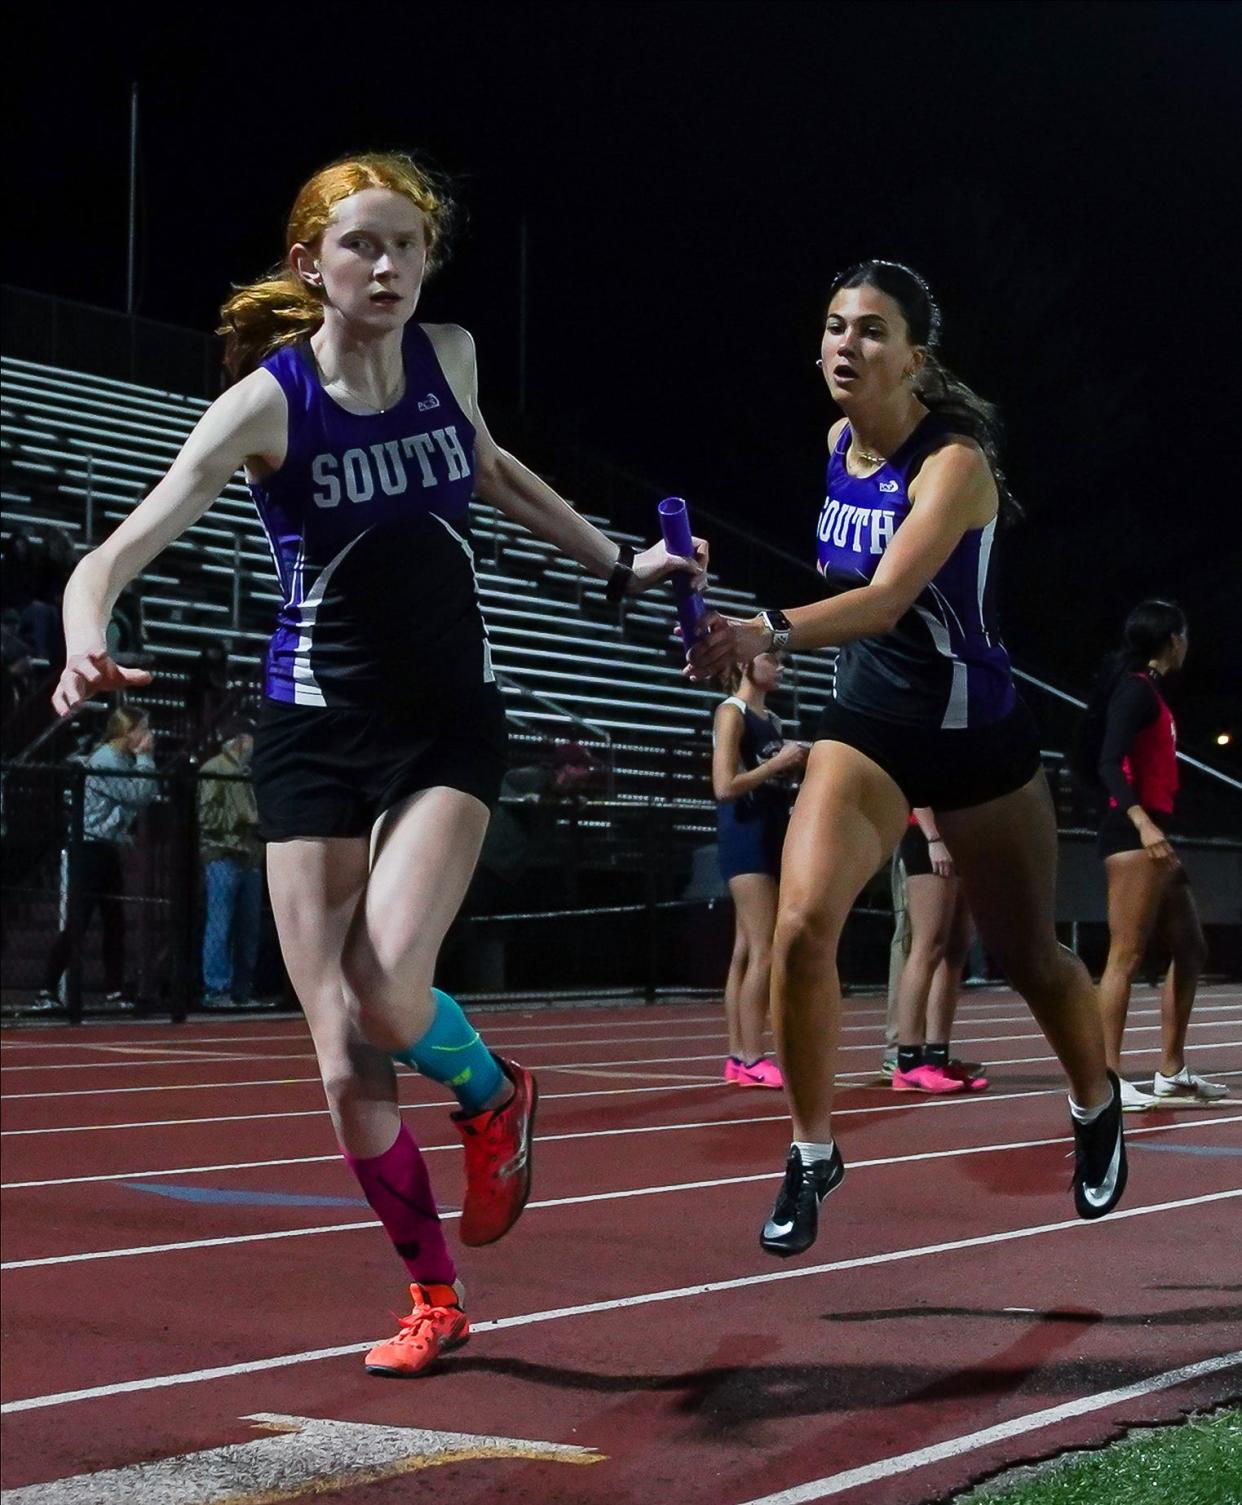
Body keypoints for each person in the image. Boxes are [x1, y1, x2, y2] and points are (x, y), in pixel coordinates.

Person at [51, 150, 706, 1375]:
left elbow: (496, 470)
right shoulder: (269, 402)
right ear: (312, 264)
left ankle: (494, 1091)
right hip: (313, 734)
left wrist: (619, 569)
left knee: (391, 992)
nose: (391, 265)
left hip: (447, 720)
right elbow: (113, 553)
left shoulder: (447, 356)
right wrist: (86, 642)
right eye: (364, 244)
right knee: (343, 1045)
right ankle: (435, 1296)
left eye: (408, 244)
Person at [687, 259, 1126, 1256]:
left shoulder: (955, 464)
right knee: (802, 926)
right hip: (870, 725)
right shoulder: (839, 441)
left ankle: (1095, 1101)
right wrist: (760, 624)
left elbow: (886, 600)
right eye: (836, 325)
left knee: (1028, 957)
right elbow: (863, 616)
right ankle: (810, 1149)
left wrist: (763, 627)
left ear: (916, 357)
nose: (847, 343)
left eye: (873, 329)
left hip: (978, 734)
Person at [1089, 600, 1224, 1109]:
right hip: (1131, 835)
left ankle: (1171, 1069)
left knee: (1191, 947)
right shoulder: (1135, 692)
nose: (1188, 644)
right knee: (1125, 955)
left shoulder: (1151, 693)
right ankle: (1105, 1077)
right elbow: (1107, 763)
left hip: (1156, 836)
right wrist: (1141, 823)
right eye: (1184, 635)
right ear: (1172, 640)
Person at [712, 651, 804, 1087]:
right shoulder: (732, 713)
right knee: (765, 948)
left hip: (771, 832)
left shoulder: (774, 721)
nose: (782, 668)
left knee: (746, 950)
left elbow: (772, 779)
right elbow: (724, 785)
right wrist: (777, 765)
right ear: (747, 663)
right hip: (745, 835)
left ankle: (737, 1055)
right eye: (774, 659)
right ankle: (752, 1057)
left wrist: (795, 770)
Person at [36, 706, 157, 1009]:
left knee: (114, 921)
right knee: (79, 920)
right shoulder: (107, 758)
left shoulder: (121, 759)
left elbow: (132, 800)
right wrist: (146, 757)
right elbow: (137, 795)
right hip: (88, 847)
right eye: (142, 728)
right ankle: (47, 989)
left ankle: (114, 989)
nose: (147, 735)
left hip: (106, 846)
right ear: (128, 731)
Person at [890, 810, 986, 1094]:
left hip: (965, 835)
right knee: (928, 946)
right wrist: (934, 836)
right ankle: (907, 1062)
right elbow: (918, 782)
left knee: (955, 950)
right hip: (929, 834)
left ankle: (937, 1057)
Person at [198, 720, 264, 1007]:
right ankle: (217, 988)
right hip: (224, 853)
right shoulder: (215, 769)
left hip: (248, 854)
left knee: (249, 927)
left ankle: (241, 989)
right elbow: (207, 816)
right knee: (221, 925)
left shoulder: (247, 772)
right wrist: (241, 819)